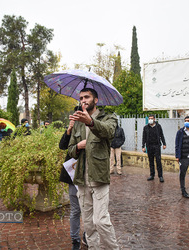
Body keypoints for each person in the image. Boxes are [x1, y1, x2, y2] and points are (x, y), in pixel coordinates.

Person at [68, 88, 119, 249]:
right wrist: (77, 145)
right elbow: (70, 150)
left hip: (99, 177)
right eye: (81, 98)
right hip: (82, 179)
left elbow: (109, 132)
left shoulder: (108, 117)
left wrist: (89, 121)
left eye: (87, 97)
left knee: (101, 221)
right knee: (89, 224)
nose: (83, 100)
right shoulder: (77, 122)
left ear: (95, 100)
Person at [59, 109, 87, 250]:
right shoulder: (72, 128)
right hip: (73, 174)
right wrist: (69, 129)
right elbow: (62, 146)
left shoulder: (93, 127)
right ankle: (75, 240)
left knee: (88, 210)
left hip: (89, 174)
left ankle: (87, 236)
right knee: (75, 210)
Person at [142, 115, 167, 182]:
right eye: (149, 119)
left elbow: (161, 135)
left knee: (158, 161)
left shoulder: (158, 126)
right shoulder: (146, 127)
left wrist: (164, 143)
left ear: (154, 119)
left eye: (151, 118)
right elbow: (144, 137)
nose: (150, 120)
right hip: (149, 146)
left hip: (157, 146)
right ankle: (152, 175)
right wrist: (143, 146)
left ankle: (160, 176)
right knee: (151, 161)